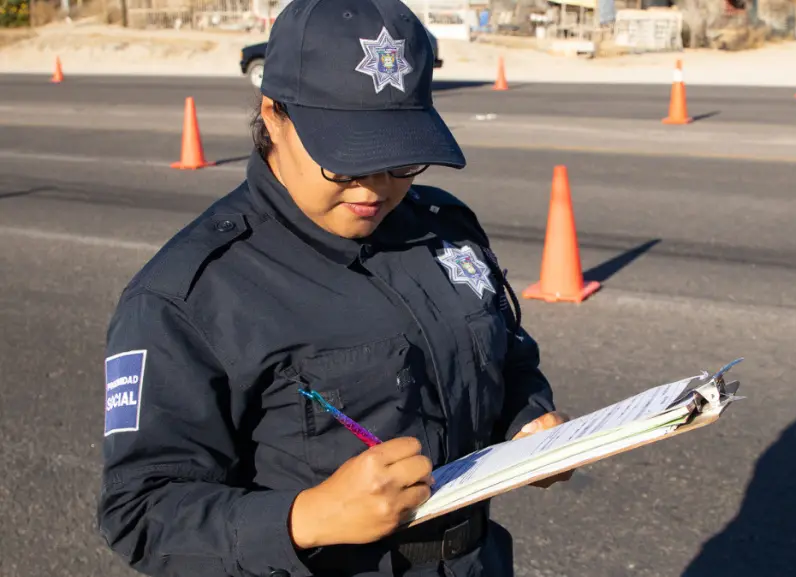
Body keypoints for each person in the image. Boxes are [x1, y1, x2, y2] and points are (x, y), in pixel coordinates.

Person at [95, 0, 574, 575]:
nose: (375, 189)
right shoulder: (190, 296)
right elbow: (140, 511)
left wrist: (529, 419)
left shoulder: (443, 230)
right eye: (345, 164)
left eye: (401, 162)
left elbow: (505, 356)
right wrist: (308, 517)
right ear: (273, 114)